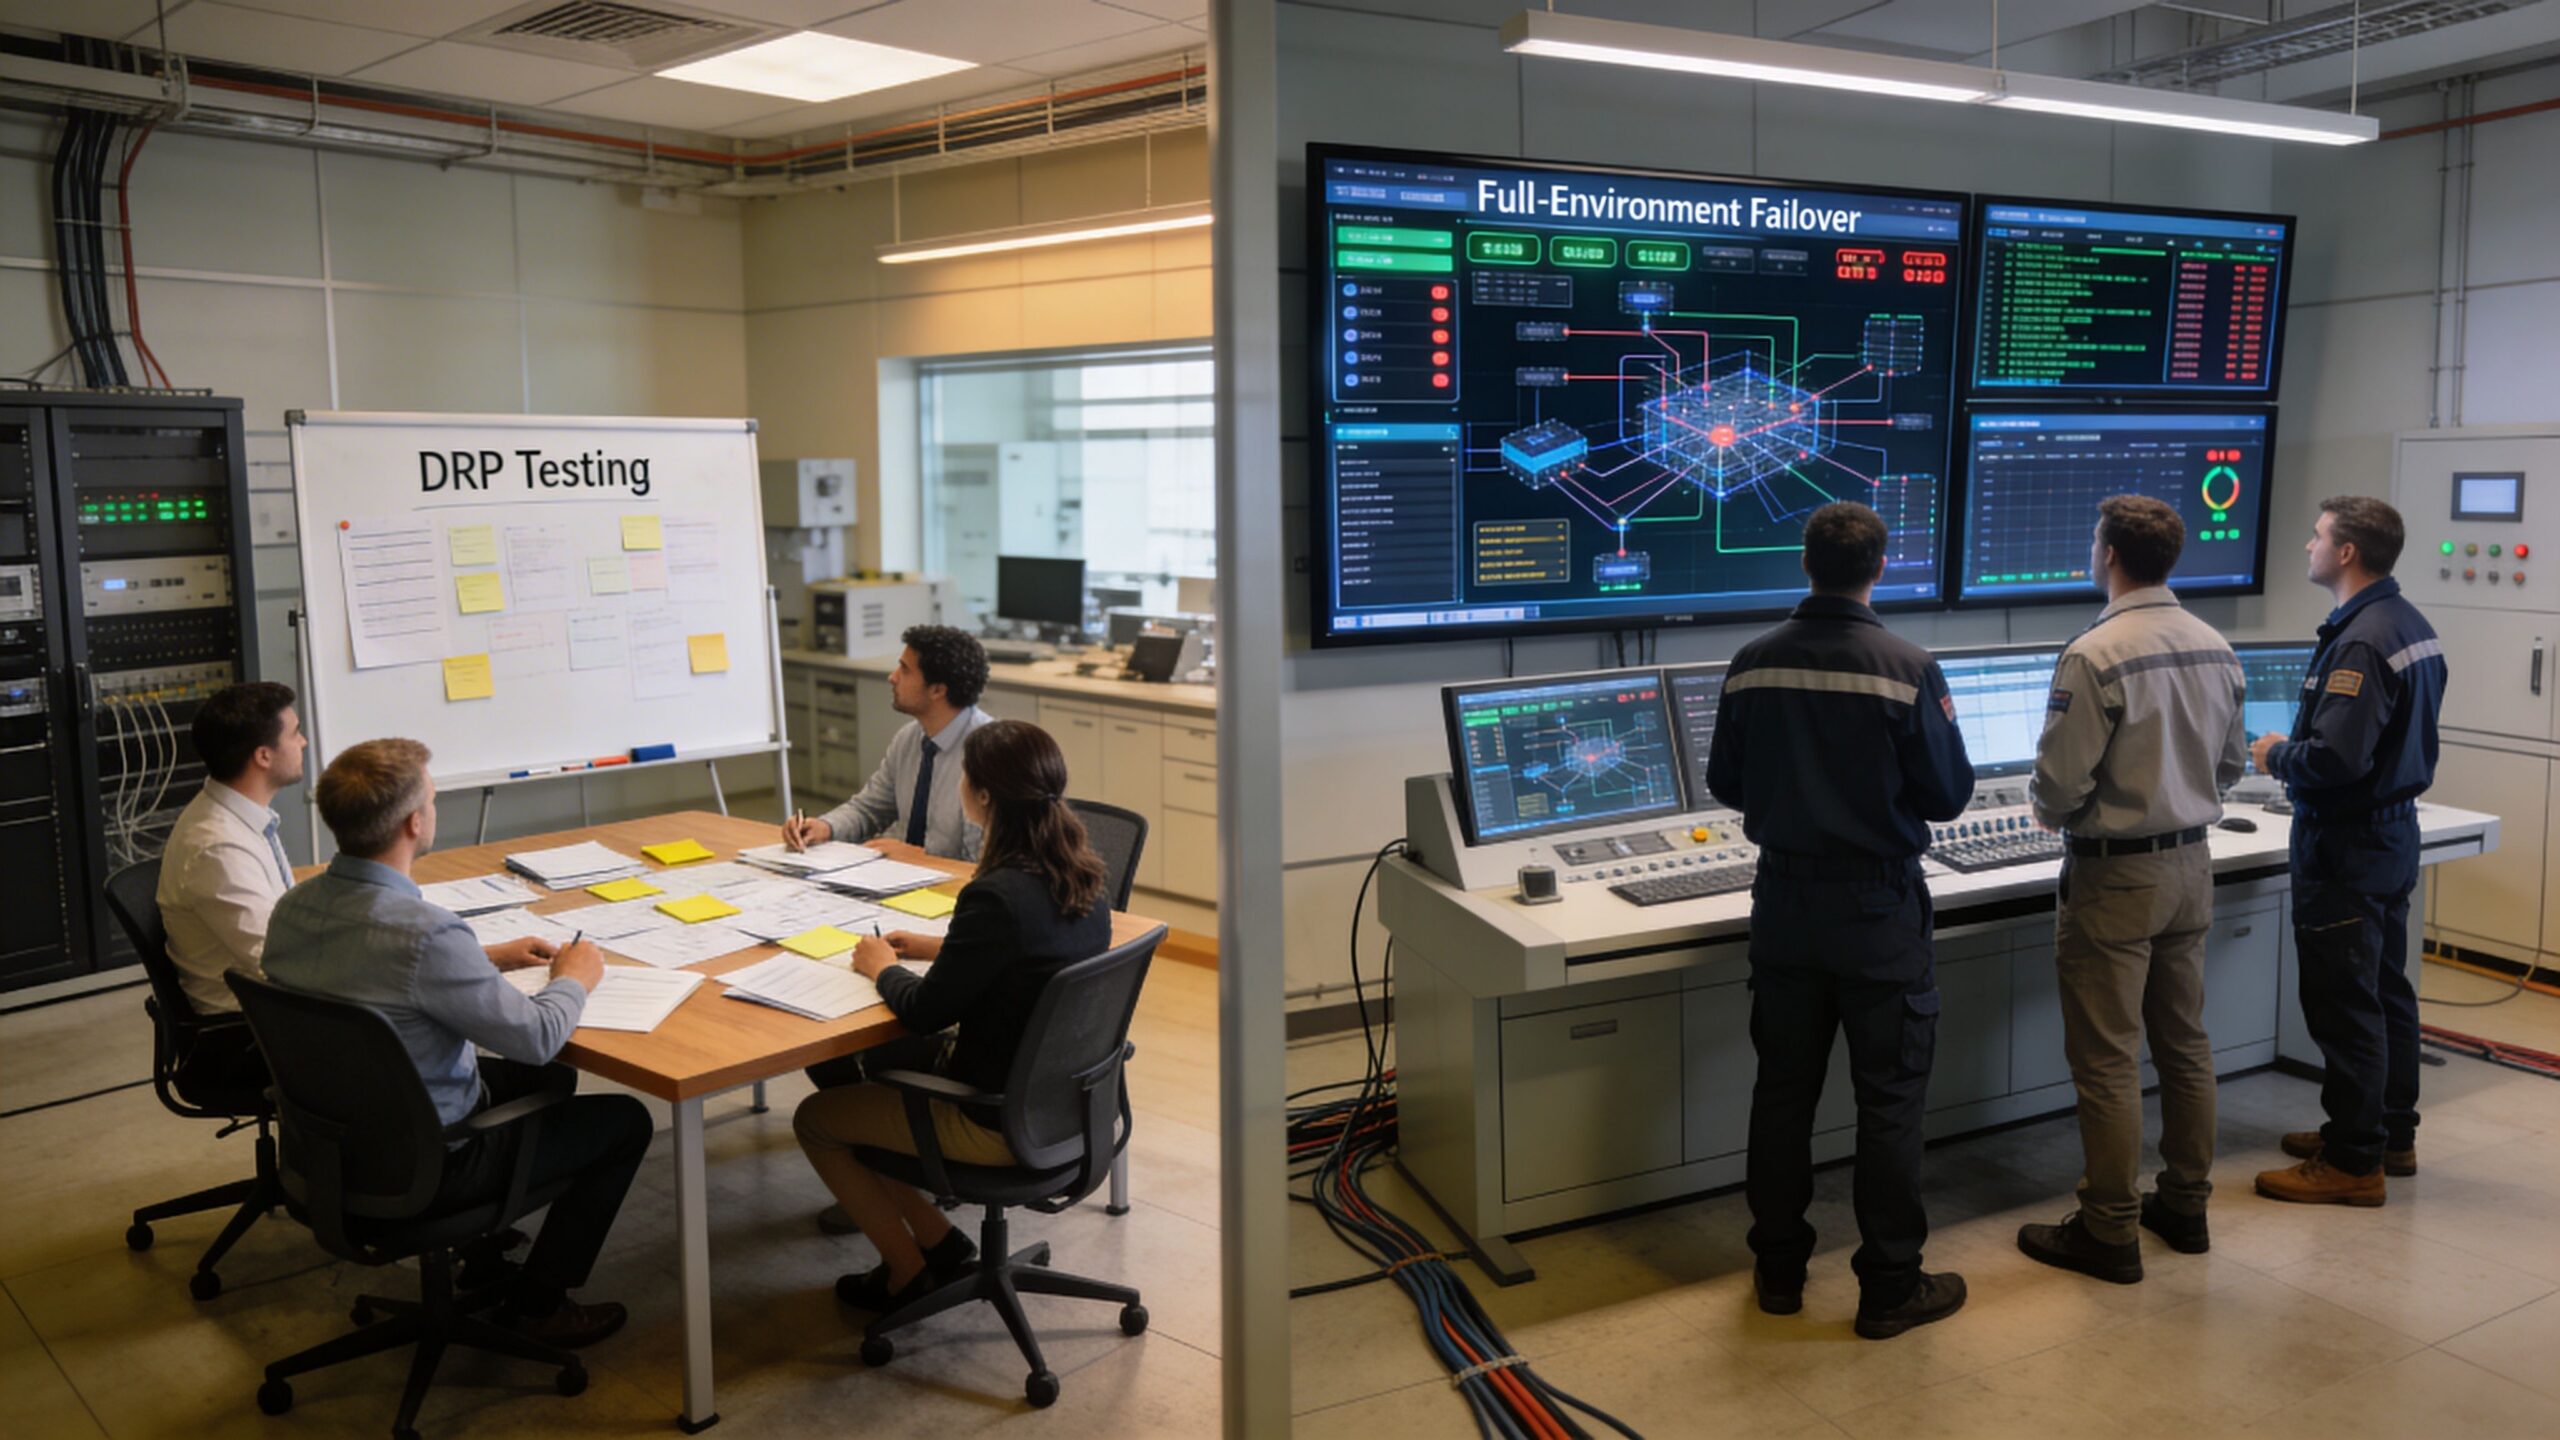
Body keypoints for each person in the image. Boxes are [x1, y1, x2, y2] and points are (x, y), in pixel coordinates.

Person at [263, 738, 649, 1348]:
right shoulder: (427, 934)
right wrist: (574, 978)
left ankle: (485, 1247)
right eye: (434, 799)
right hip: (429, 1161)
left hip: (328, 1146)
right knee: (623, 1120)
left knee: (549, 1088)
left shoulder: (292, 907)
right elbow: (538, 1037)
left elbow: (377, 973)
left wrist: (482, 958)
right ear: (416, 822)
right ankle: (540, 1304)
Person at [1706, 501, 1975, 1340]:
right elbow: (1947, 795)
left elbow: (1725, 782)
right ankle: (1889, 1285)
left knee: (1781, 1093)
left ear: (1805, 563)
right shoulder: (1908, 666)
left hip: (1784, 903)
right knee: (1888, 1102)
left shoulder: (1751, 663)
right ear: (1879, 569)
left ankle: (1778, 1272)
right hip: (1878, 910)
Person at [793, 719, 1113, 1315]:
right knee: (857, 1068)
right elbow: (1038, 953)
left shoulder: (993, 894)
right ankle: (941, 1243)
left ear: (984, 795)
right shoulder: (1083, 875)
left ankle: (906, 1273)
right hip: (1068, 1104)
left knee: (819, 1120)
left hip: (994, 1117)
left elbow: (925, 1012)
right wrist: (939, 947)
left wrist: (880, 964)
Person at [2018, 496, 2247, 1281]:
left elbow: (2056, 786)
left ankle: (2108, 1229)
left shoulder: (2095, 653)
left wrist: (2063, 813)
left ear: (2109, 554)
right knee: (2185, 1044)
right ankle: (2185, 1205)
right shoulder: (2215, 644)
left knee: (2109, 1059)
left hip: (2116, 877)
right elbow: (2230, 767)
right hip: (2191, 865)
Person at [2250, 497, 2446, 1207]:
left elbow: (2335, 758)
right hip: (2390, 835)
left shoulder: (2362, 640)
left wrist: (2276, 754)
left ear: (2347, 553)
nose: (2308, 545)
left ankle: (2353, 1159)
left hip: (2348, 842)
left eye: (2317, 536)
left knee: (2345, 1002)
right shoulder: (2408, 624)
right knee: (2386, 991)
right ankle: (2389, 1133)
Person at [154, 682, 309, 1092]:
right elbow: (279, 965)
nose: (304, 741)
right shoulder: (218, 847)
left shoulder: (239, 816)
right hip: (243, 1039)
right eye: (295, 733)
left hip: (266, 1015)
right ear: (263, 756)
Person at [781, 625, 995, 862]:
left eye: (904, 670)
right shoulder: (909, 739)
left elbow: (989, 860)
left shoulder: (992, 754)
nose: (892, 677)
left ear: (937, 690)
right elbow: (869, 809)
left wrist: (921, 857)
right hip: (902, 875)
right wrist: (825, 827)